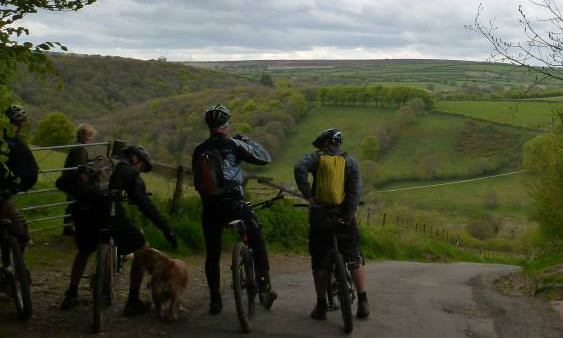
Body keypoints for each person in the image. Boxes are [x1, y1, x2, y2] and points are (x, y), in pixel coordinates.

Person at [60, 144, 177, 314]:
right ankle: (133, 301)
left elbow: (65, 181)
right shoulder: (128, 172)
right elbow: (145, 205)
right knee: (141, 248)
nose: (140, 171)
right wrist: (166, 229)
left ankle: (71, 293)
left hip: (82, 213)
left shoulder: (101, 164)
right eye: (142, 166)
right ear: (135, 158)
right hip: (108, 214)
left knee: (84, 250)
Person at [193, 104, 277, 314]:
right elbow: (265, 158)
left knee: (212, 253)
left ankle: (215, 301)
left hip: (210, 207)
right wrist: (247, 141)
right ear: (226, 125)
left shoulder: (199, 149)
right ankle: (264, 288)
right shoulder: (233, 144)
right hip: (234, 204)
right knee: (256, 237)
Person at [294, 128, 369, 321]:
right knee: (354, 256)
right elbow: (355, 190)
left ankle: (321, 307)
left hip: (320, 216)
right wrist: (348, 214)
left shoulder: (316, 158)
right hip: (343, 217)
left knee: (320, 262)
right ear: (338, 144)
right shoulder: (350, 161)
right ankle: (363, 302)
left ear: (325, 143)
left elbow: (299, 168)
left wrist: (309, 196)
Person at [0, 105, 39, 249]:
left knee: (12, 220)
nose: (16, 127)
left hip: (7, 188)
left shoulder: (15, 143)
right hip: (6, 190)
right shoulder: (12, 143)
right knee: (16, 225)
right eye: (16, 123)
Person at [56, 123, 97, 236]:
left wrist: (90, 161)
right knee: (74, 204)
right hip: (73, 181)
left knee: (73, 203)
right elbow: (80, 167)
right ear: (83, 135)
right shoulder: (80, 148)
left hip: (70, 178)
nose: (90, 138)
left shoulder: (78, 146)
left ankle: (69, 227)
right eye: (89, 136)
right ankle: (69, 228)